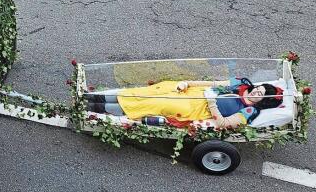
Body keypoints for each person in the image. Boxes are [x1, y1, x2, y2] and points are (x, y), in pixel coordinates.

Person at [87, 78, 284, 129]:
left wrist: (211, 102)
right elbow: (212, 84)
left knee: (157, 104)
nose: (258, 91)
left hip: (195, 107)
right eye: (261, 88)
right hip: (192, 92)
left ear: (263, 103)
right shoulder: (241, 85)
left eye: (262, 95)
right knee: (147, 91)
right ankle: (93, 98)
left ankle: (94, 108)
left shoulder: (248, 110)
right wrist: (188, 83)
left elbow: (223, 123)